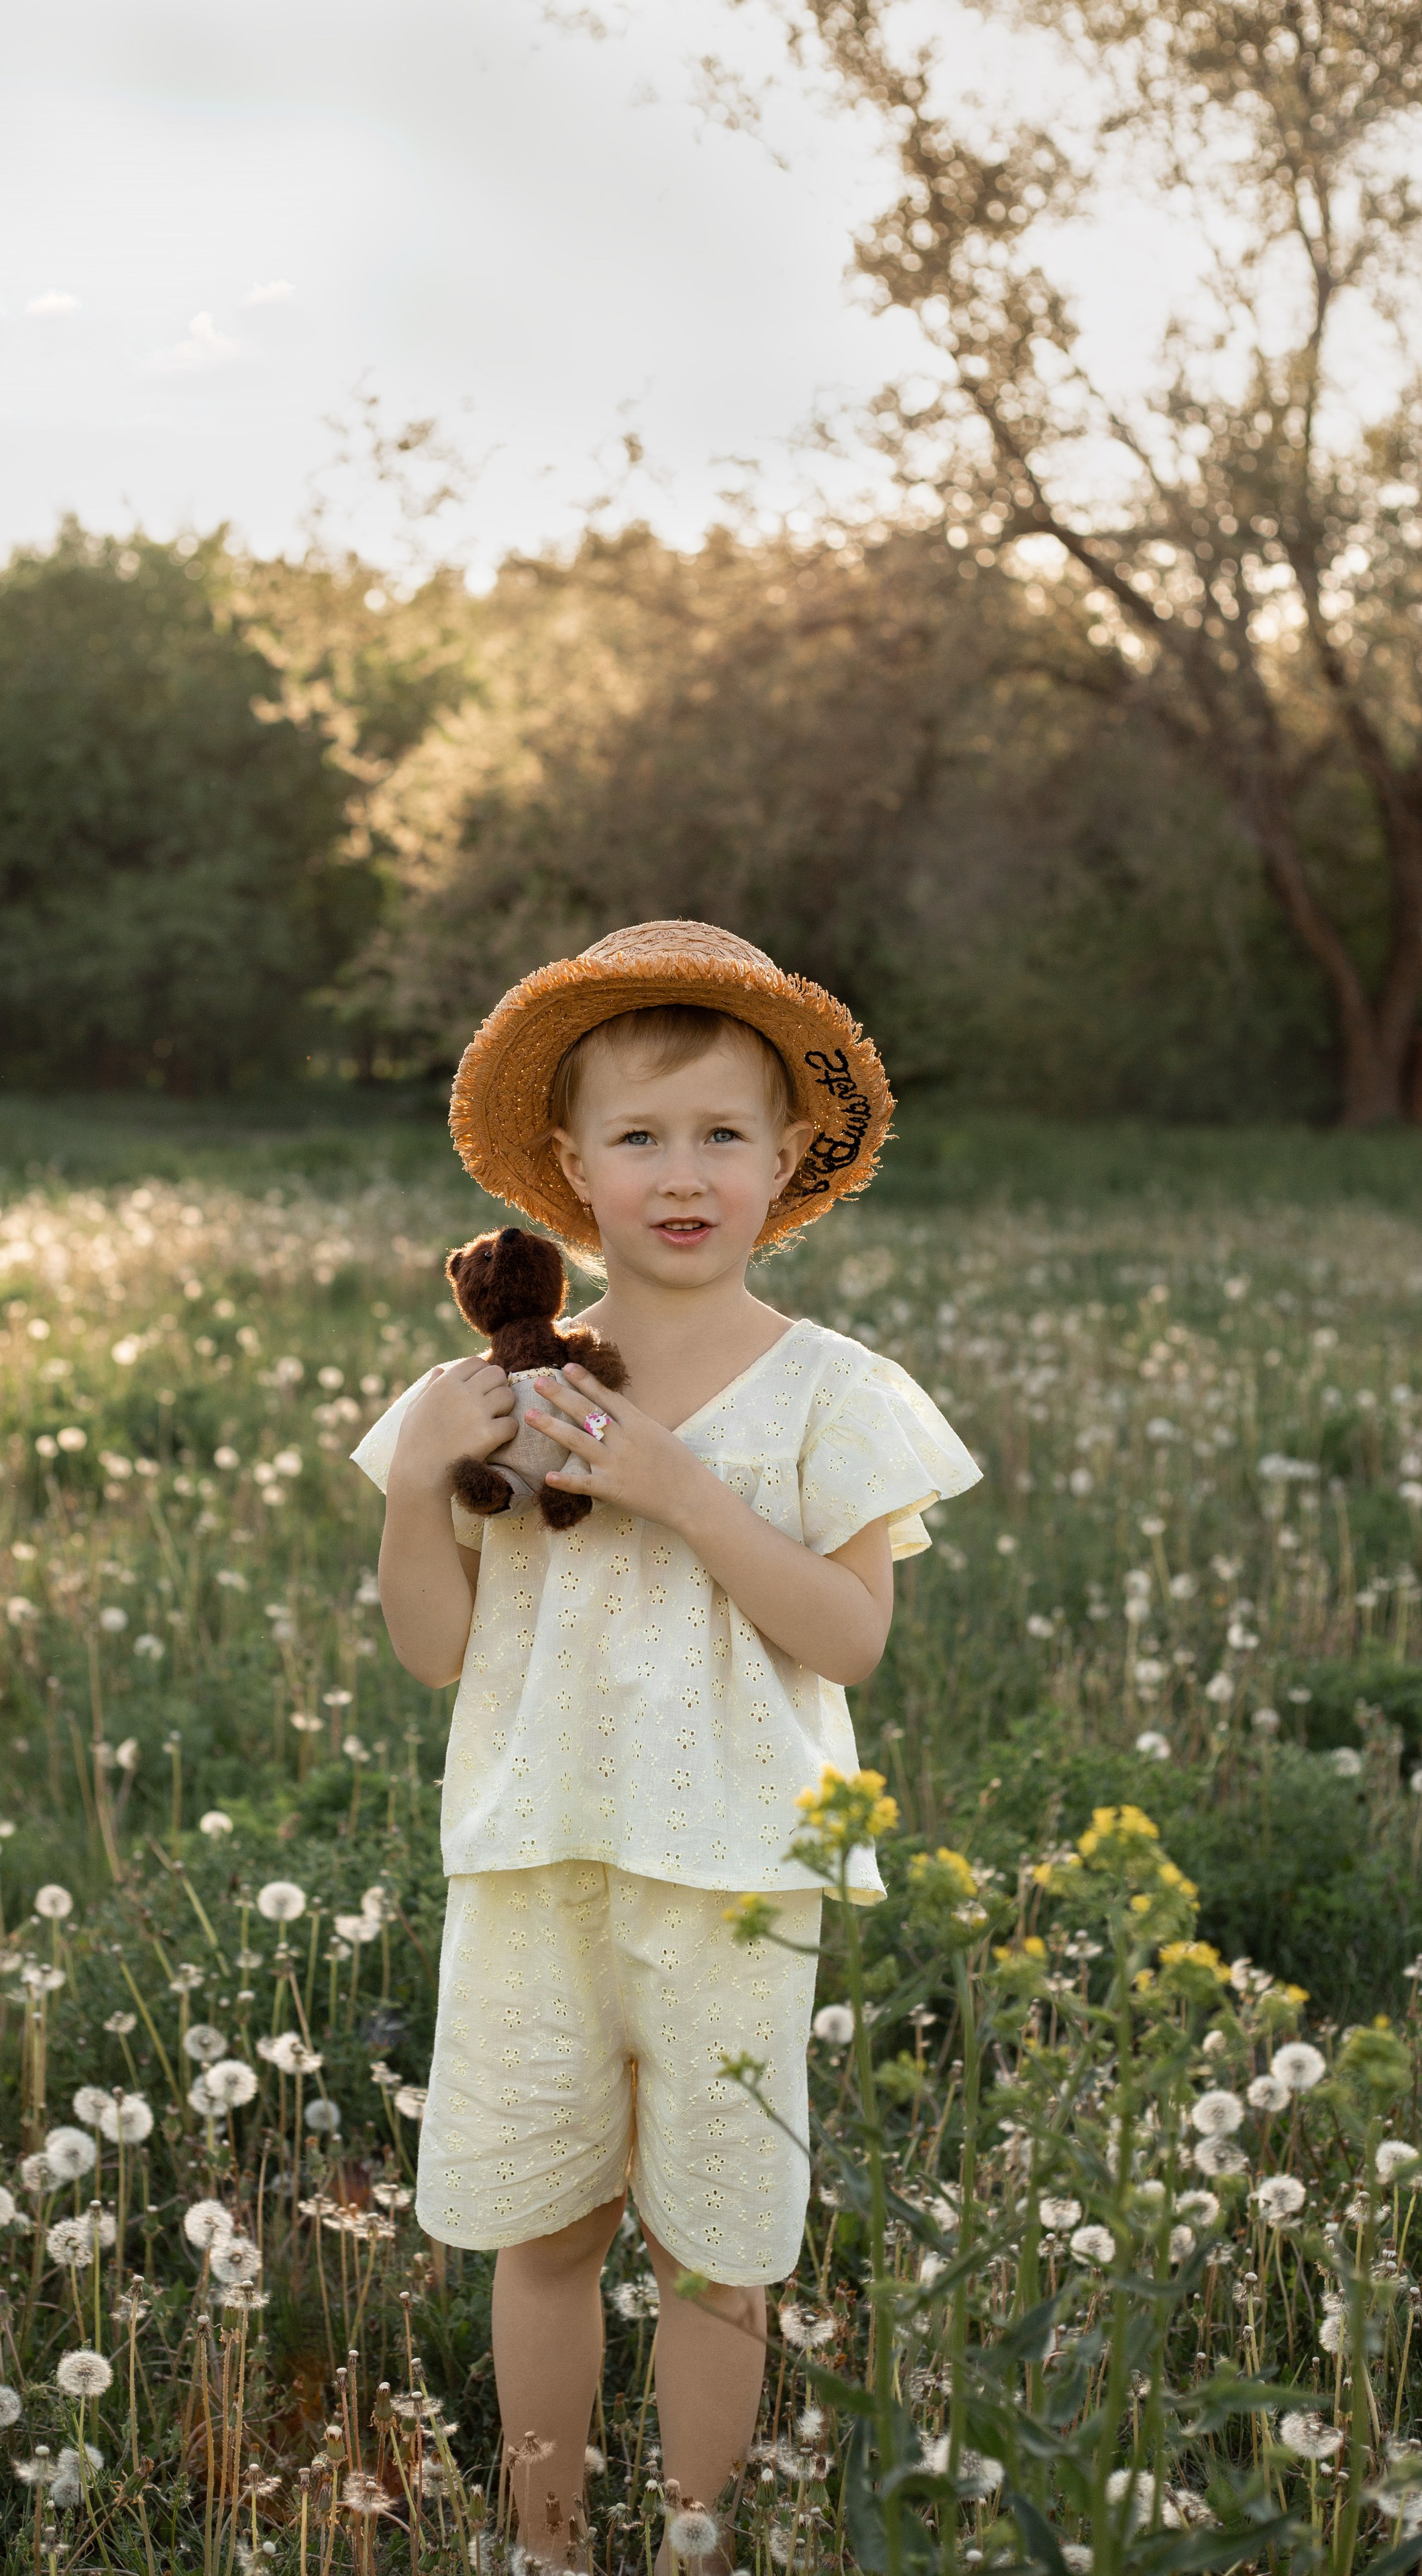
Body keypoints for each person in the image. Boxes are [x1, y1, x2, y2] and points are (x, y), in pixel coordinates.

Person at [351, 920, 980, 2572]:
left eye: (721, 1135)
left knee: (716, 2254)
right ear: (570, 1170)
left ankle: (699, 2539)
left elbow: (847, 1638)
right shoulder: (496, 1396)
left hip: (733, 1878)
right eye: (639, 1137)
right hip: (534, 1862)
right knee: (544, 2230)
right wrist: (421, 1480)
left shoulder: (833, 1394)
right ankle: (546, 2542)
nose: (682, 1173)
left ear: (789, 1157)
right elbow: (432, 1647)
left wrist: (685, 1493)